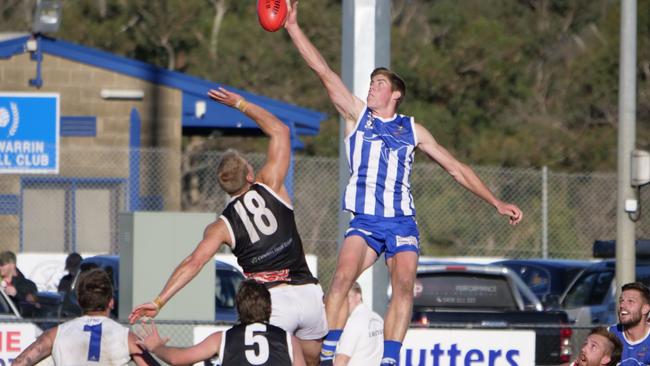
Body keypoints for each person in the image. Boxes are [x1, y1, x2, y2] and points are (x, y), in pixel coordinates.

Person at [283, 2, 523, 364]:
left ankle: (390, 358)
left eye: (379, 84)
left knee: (404, 286)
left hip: (400, 221)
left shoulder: (413, 129)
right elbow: (323, 71)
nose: (372, 88)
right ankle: (330, 350)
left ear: (395, 94)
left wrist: (496, 202)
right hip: (364, 221)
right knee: (340, 279)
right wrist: (292, 27)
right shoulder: (356, 115)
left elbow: (456, 168)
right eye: (371, 83)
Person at [129, 87, 327, 366]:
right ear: (249, 174)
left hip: (272, 306)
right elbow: (280, 131)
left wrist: (160, 300)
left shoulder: (221, 226)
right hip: (307, 293)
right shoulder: (270, 184)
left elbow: (193, 262)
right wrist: (241, 103)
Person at [137, 279, 306, 365]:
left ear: (239, 309)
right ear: (269, 308)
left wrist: (157, 347)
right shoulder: (289, 341)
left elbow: (178, 359)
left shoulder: (222, 338)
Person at [12, 268, 157, 366]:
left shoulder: (55, 334)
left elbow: (19, 363)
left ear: (80, 302)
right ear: (111, 302)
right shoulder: (126, 337)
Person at [334, 282, 383, 366]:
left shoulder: (353, 321)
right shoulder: (377, 318)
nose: (343, 302)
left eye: (347, 297)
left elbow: (341, 360)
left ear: (358, 296)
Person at [609, 282, 650, 365]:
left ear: (645, 309)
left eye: (630, 301)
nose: (622, 305)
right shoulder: (609, 335)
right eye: (621, 301)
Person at [0, 250, 38, 316]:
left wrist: (16, 294)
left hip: (18, 323)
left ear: (12, 265)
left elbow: (33, 307)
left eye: (2, 264)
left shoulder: (28, 285)